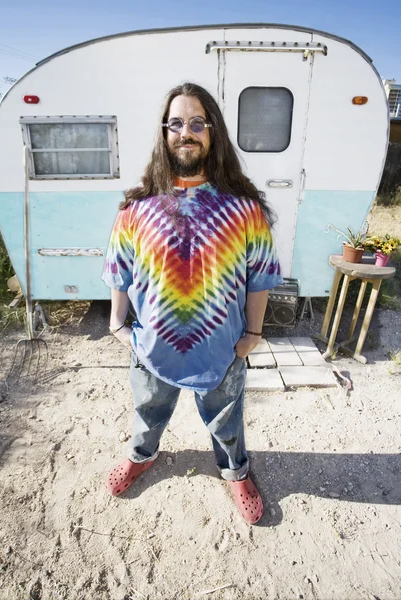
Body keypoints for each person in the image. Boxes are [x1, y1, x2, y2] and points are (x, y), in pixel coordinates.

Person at [102, 82, 282, 525]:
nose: (187, 132)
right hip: (151, 347)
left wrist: (253, 334)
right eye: (177, 123)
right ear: (165, 134)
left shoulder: (244, 208)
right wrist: (117, 324)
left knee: (227, 420)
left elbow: (260, 275)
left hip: (220, 350)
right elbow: (119, 268)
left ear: (213, 132)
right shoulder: (137, 207)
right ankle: (141, 455)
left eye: (197, 123)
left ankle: (235, 471)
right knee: (147, 411)